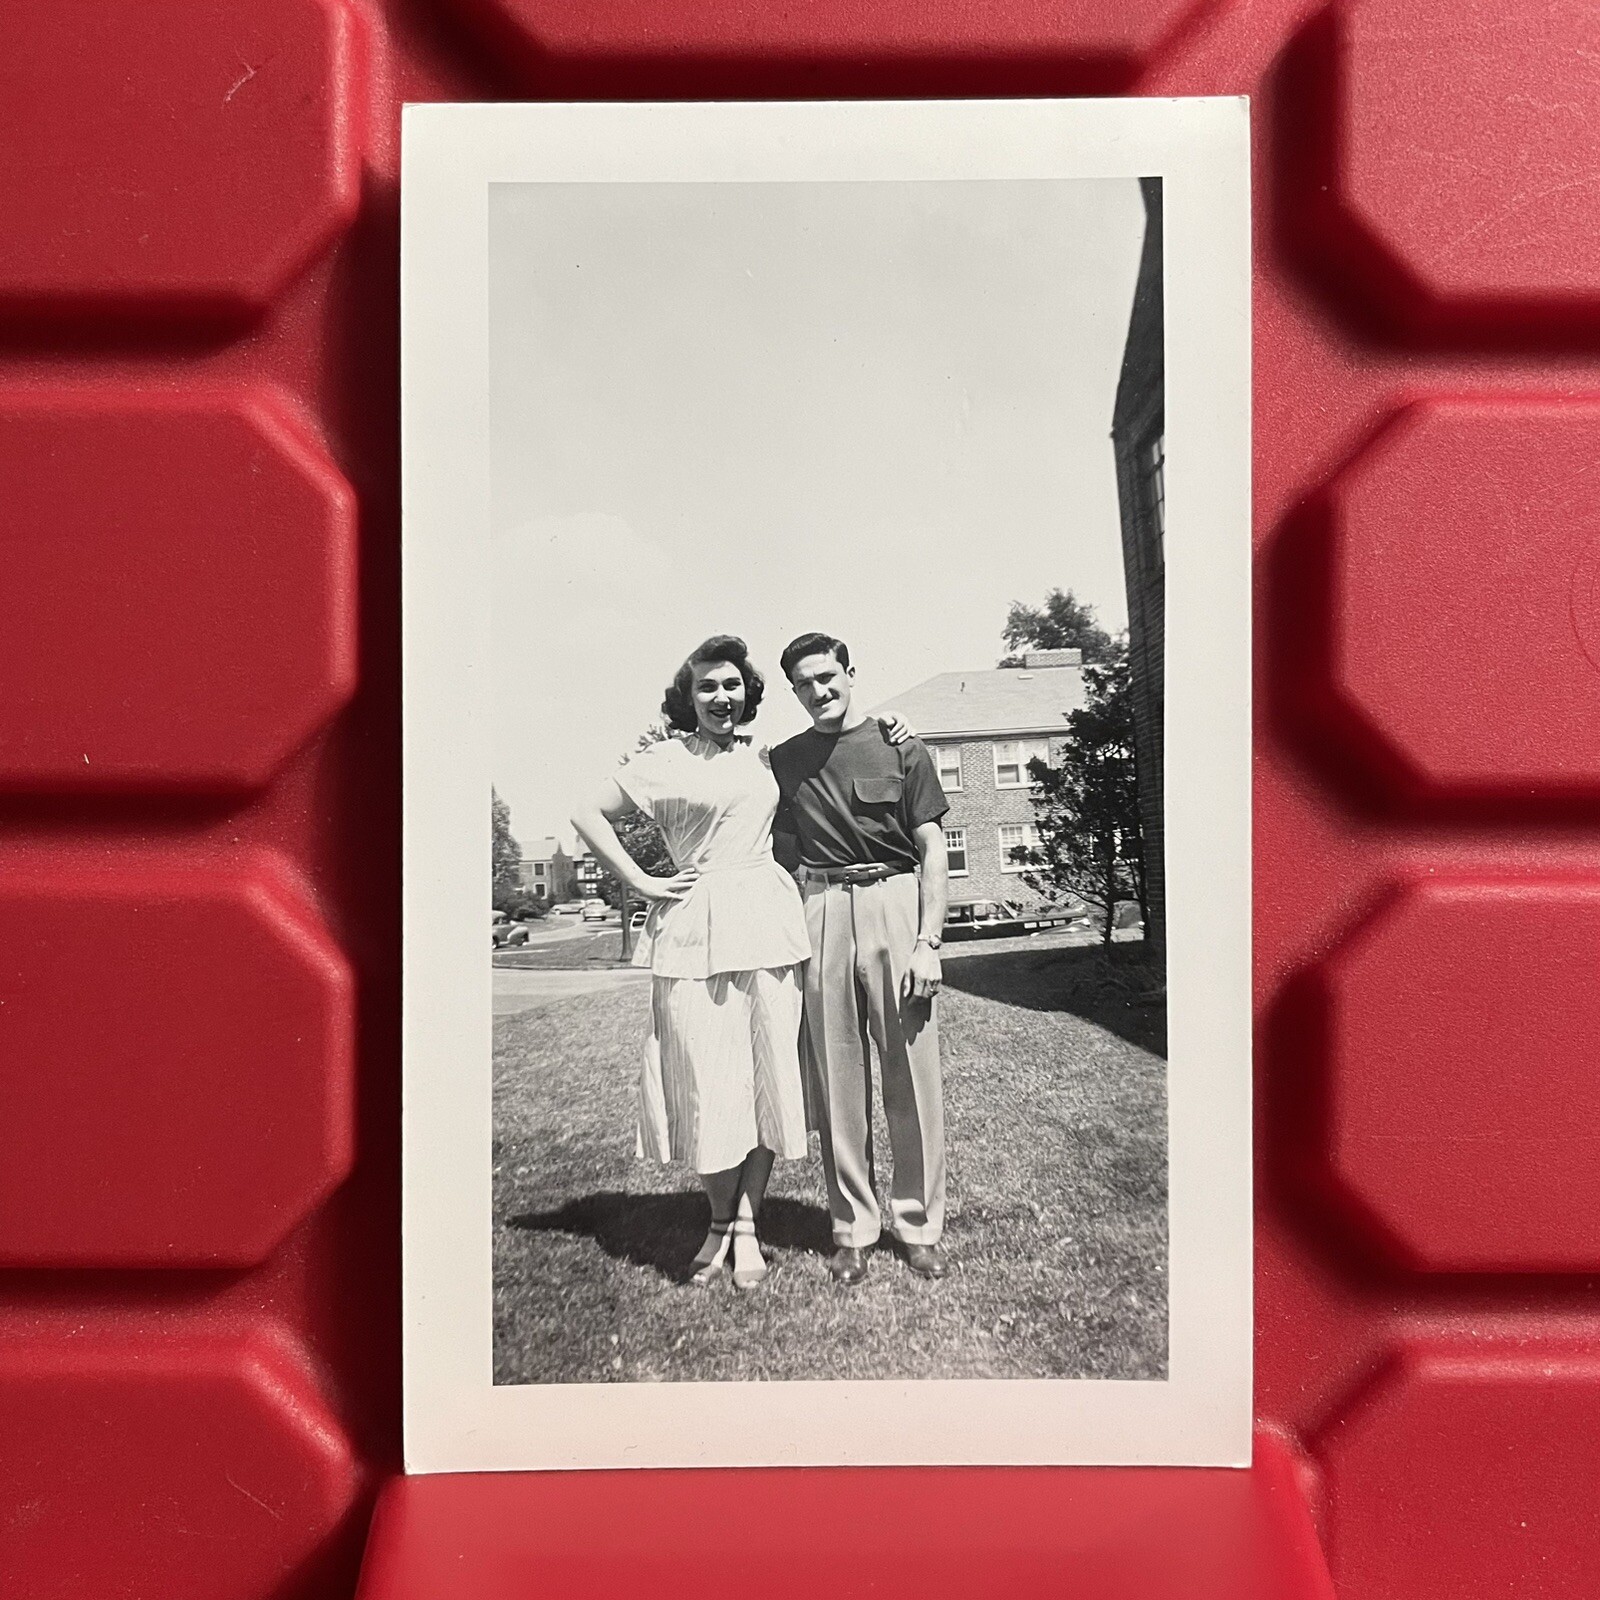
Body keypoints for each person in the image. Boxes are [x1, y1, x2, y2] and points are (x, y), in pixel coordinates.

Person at [570, 636, 809, 1290]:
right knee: (704, 1082)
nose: (721, 697)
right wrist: (641, 881)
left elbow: (832, 745)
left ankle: (748, 1224)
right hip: (692, 928)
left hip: (766, 922)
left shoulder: (764, 756)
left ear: (747, 692)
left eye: (732, 685)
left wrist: (892, 725)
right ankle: (717, 1219)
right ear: (689, 696)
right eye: (707, 686)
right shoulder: (662, 760)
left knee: (764, 1077)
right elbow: (587, 813)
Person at [770, 632, 951, 1287]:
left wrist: (928, 942)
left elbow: (933, 849)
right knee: (836, 1079)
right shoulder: (784, 761)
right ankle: (852, 1229)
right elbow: (778, 853)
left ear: (850, 673)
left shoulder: (901, 745)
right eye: (804, 683)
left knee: (911, 1076)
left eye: (828, 676)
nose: (819, 690)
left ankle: (918, 1227)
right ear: (794, 691)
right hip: (821, 908)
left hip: (893, 901)